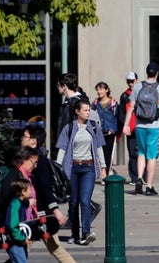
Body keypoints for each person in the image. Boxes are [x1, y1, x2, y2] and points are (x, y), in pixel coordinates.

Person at [18, 124, 75, 263]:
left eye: (24, 136)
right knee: (50, 248)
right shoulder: (25, 159)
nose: (21, 139)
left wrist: (55, 210)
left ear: (33, 141)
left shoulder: (39, 161)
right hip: (34, 212)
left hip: (39, 212)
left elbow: (46, 187)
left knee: (24, 248)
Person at [57, 99, 105, 245]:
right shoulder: (69, 127)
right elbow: (62, 149)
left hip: (88, 168)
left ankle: (86, 232)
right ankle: (74, 234)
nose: (88, 112)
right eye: (85, 110)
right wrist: (58, 170)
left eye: (89, 110)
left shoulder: (94, 127)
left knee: (84, 201)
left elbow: (99, 148)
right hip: (73, 168)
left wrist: (103, 167)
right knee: (73, 202)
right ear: (77, 111)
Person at [124, 62, 159, 196]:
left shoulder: (138, 87)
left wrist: (126, 125)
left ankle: (139, 178)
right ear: (157, 73)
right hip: (154, 126)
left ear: (146, 72)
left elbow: (131, 107)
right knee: (152, 156)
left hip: (139, 126)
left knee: (141, 153)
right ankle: (149, 186)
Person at [0, 176, 34, 263]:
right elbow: (12, 225)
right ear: (23, 191)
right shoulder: (15, 204)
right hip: (14, 241)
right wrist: (21, 238)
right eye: (29, 189)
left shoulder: (20, 203)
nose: (30, 191)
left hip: (18, 240)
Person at [92, 82, 120, 178]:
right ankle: (104, 173)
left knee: (108, 155)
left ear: (106, 90)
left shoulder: (113, 103)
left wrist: (113, 129)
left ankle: (106, 175)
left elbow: (117, 118)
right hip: (99, 132)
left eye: (101, 89)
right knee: (100, 155)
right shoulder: (95, 103)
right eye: (97, 89)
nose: (99, 92)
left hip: (110, 133)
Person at [118, 71, 140, 184]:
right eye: (129, 81)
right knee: (132, 153)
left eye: (132, 81)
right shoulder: (125, 96)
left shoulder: (142, 93)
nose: (131, 84)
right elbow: (121, 112)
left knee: (142, 152)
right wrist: (123, 125)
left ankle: (143, 176)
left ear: (137, 80)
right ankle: (134, 177)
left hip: (141, 127)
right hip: (130, 128)